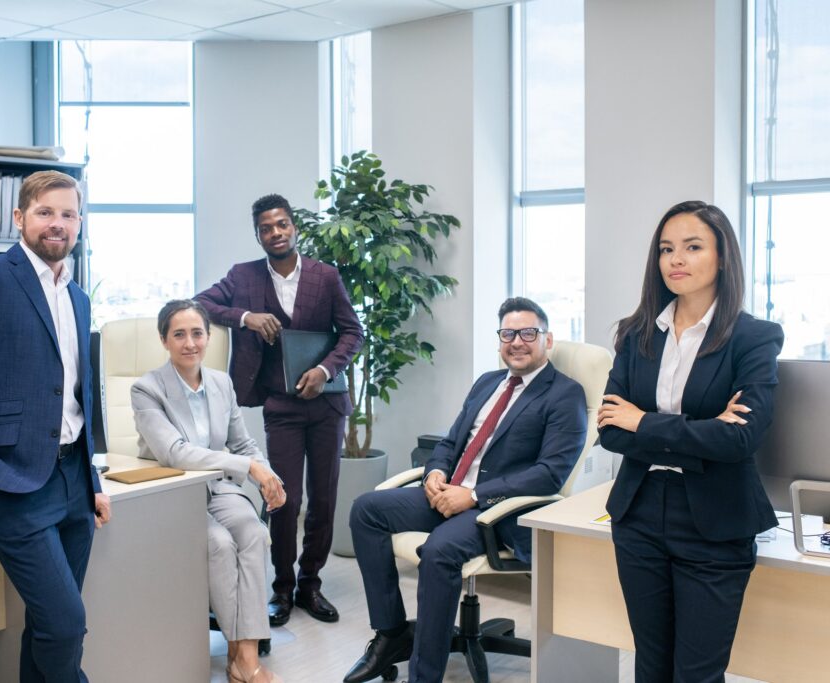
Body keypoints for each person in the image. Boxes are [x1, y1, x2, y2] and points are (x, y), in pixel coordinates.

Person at [344, 297, 587, 683]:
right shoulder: (488, 382)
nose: (517, 342)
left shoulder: (565, 394)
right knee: (366, 509)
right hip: (448, 494)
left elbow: (549, 474)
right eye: (508, 333)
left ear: (548, 340)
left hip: (495, 510)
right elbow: (451, 440)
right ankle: (392, 633)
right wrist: (435, 473)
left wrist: (474, 496)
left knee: (439, 551)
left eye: (528, 333)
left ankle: (424, 676)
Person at [0, 170, 111, 683]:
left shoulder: (77, 297)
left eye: (68, 214)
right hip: (13, 484)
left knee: (48, 626)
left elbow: (77, 398)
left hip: (73, 482)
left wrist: (92, 479)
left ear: (80, 223)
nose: (58, 223)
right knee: (67, 624)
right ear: (18, 217)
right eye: (45, 212)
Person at [598, 200, 784, 683]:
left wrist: (643, 422)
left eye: (693, 247)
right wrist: (702, 431)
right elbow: (610, 430)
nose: (675, 259)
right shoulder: (637, 333)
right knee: (651, 665)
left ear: (722, 258)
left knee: (697, 675)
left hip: (715, 520)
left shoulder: (753, 338)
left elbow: (740, 439)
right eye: (666, 249)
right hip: (638, 514)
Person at [196, 193, 362, 626]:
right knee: (283, 498)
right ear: (258, 235)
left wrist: (325, 370)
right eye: (266, 228)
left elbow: (352, 333)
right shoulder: (244, 276)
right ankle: (282, 588)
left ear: (294, 228)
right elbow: (201, 304)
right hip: (280, 405)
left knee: (323, 498)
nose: (276, 233)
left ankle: (310, 584)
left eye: (282, 224)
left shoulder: (326, 276)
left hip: (326, 405)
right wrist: (246, 317)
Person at [131, 299, 287, 683]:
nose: (190, 343)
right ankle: (244, 658)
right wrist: (247, 467)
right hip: (174, 493)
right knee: (218, 543)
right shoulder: (146, 389)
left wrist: (267, 474)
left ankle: (243, 656)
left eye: (197, 333)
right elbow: (175, 452)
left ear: (208, 337)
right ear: (164, 340)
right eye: (179, 334)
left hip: (219, 489)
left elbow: (243, 443)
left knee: (253, 533)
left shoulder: (221, 383)